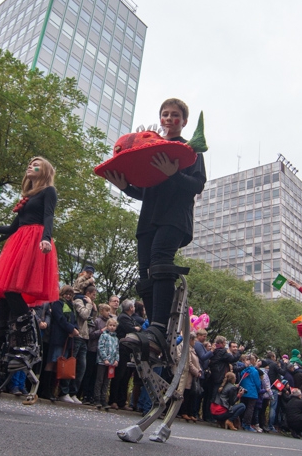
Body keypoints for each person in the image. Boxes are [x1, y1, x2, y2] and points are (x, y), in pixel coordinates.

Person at [104, 98, 206, 358]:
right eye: (165, 114)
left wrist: (174, 174)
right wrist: (126, 186)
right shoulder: (152, 148)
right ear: (160, 119)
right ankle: (152, 330)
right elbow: (146, 189)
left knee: (160, 261)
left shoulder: (189, 150)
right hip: (148, 219)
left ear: (183, 122)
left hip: (174, 218)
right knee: (144, 272)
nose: (169, 119)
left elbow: (196, 185)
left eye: (175, 115)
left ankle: (160, 328)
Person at [0, 157, 59, 379]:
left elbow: (49, 216)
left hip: (35, 241)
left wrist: (46, 238)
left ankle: (28, 344)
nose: (30, 165)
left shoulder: (49, 191)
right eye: (28, 163)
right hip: (19, 241)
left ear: (45, 170)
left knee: (12, 291)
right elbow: (11, 229)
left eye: (35, 164)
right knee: (4, 297)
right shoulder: (27, 197)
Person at [49, 285, 80, 403]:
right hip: (59, 337)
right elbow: (60, 318)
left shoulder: (70, 306)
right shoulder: (58, 303)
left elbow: (73, 320)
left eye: (70, 294)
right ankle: (48, 389)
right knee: (54, 361)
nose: (68, 296)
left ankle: (57, 390)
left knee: (62, 365)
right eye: (66, 293)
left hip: (68, 338)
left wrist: (74, 329)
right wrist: (71, 329)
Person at [69, 278, 96, 401]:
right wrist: (89, 304)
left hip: (85, 337)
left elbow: (91, 320)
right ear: (88, 294)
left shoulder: (89, 304)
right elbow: (84, 315)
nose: (94, 297)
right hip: (78, 336)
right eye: (93, 295)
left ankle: (74, 392)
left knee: (82, 367)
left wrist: (94, 309)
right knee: (72, 365)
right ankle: (66, 391)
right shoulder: (78, 300)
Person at [94, 317, 119, 409]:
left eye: (114, 325)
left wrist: (116, 360)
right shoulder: (104, 335)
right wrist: (105, 358)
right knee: (99, 380)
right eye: (110, 325)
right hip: (102, 362)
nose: (112, 327)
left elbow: (117, 350)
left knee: (106, 381)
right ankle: (97, 398)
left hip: (111, 363)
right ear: (107, 326)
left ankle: (104, 399)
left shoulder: (116, 338)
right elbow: (100, 347)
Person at [180, 331, 202, 422]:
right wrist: (196, 371)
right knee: (186, 393)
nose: (195, 342)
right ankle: (184, 412)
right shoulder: (187, 349)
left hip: (193, 375)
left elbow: (196, 361)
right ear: (191, 340)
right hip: (188, 374)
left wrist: (199, 369)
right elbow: (189, 363)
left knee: (192, 394)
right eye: (194, 340)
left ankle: (190, 412)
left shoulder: (192, 349)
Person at [238, 353, 262, 431]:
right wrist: (258, 390)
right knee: (250, 409)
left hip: (244, 391)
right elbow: (257, 383)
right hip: (252, 392)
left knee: (243, 407)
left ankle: (240, 421)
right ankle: (246, 424)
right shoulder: (254, 371)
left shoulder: (243, 371)